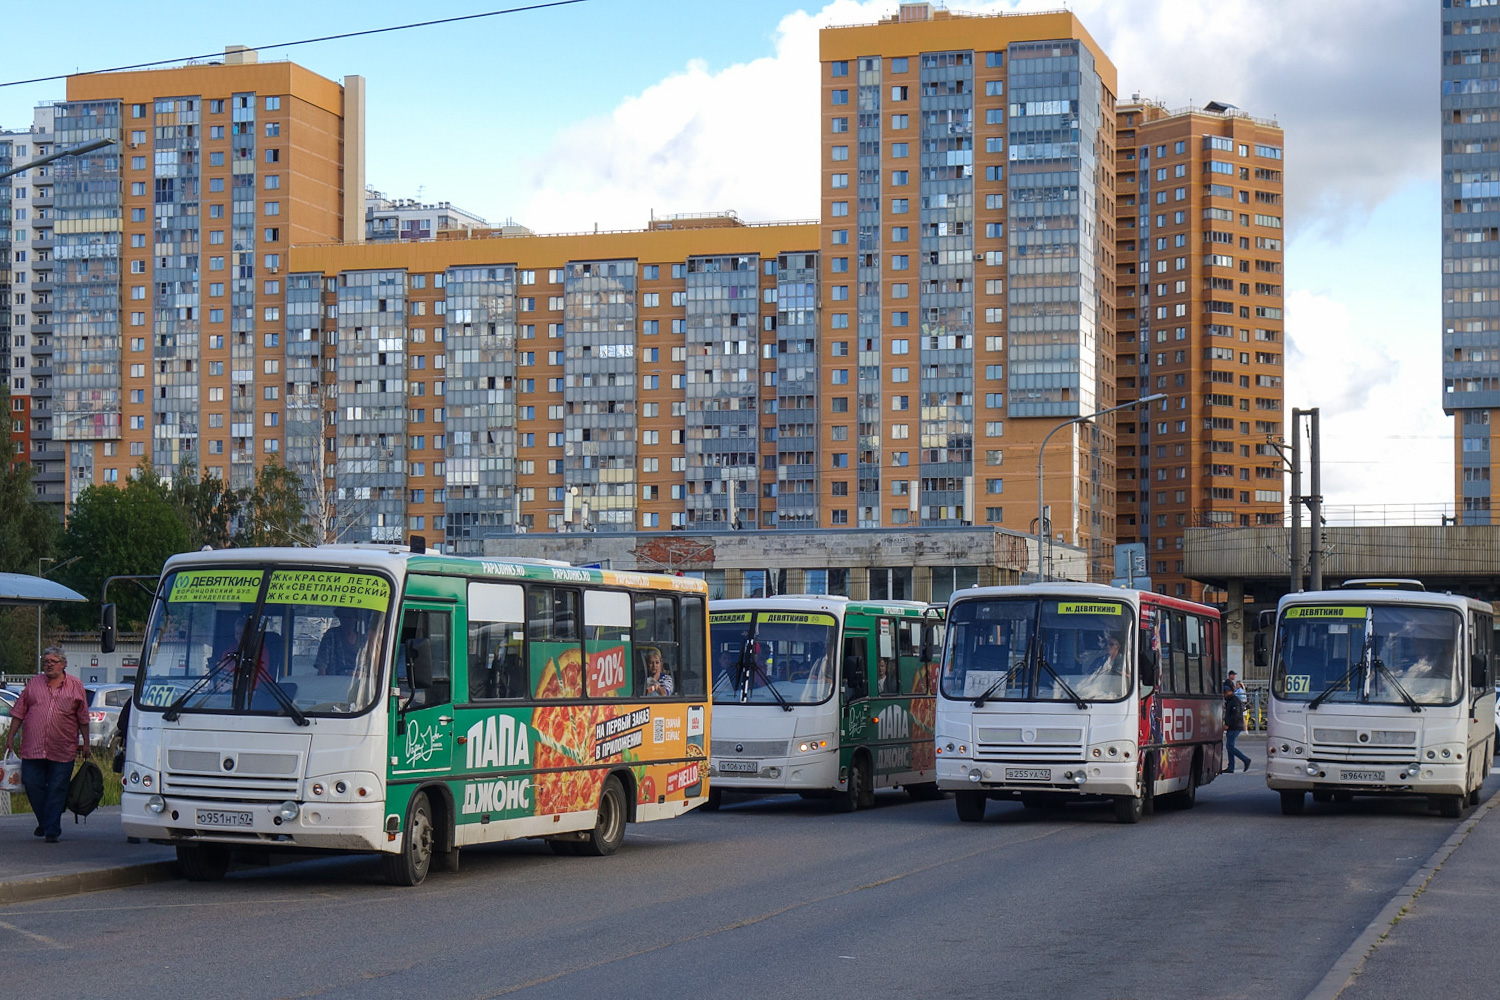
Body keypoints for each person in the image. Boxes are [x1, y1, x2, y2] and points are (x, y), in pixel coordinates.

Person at [6, 647, 89, 843]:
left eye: (53, 661)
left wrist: (86, 743)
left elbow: (83, 717)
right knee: (33, 785)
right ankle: (45, 821)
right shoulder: (34, 683)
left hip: (63, 748)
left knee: (57, 788)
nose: (49, 664)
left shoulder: (75, 686)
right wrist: (10, 737)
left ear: (63, 664)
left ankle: (51, 828)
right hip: (32, 748)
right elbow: (19, 712)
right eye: (46, 662)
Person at [314, 606, 368, 676]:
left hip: (358, 682)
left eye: (349, 618)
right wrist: (323, 680)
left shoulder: (362, 639)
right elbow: (322, 662)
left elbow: (368, 664)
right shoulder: (331, 635)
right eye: (343, 617)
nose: (346, 621)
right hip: (334, 682)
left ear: (355, 619)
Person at [1222, 673, 1252, 773]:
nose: (1223, 695)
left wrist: (1227, 724)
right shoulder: (1230, 700)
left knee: (1229, 746)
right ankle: (1231, 767)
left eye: (1224, 692)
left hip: (1235, 726)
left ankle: (1245, 759)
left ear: (1228, 691)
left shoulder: (1234, 700)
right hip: (1233, 726)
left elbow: (1235, 715)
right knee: (1230, 746)